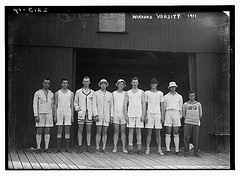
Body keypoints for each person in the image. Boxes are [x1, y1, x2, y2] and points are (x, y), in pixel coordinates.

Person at [74, 76, 97, 154]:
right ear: (82, 82)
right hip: (81, 113)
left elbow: (94, 104)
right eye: (85, 81)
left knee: (88, 130)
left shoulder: (92, 92)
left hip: (89, 114)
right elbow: (75, 102)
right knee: (80, 129)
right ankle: (80, 146)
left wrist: (94, 114)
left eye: (87, 81)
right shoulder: (78, 92)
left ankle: (88, 146)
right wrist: (78, 109)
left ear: (89, 82)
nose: (86, 83)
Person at [124, 77, 145, 155]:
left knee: (139, 131)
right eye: (133, 82)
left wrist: (143, 114)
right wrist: (126, 115)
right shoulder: (128, 92)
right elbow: (125, 104)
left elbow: (143, 104)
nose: (135, 84)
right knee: (131, 131)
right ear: (131, 83)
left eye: (136, 82)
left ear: (138, 83)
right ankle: (130, 148)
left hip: (139, 114)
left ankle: (139, 149)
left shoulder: (141, 92)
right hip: (130, 114)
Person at [33, 78, 54, 154]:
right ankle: (38, 148)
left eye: (48, 83)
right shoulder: (38, 93)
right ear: (42, 83)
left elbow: (53, 105)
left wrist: (53, 114)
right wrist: (36, 115)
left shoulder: (51, 94)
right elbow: (35, 105)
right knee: (39, 130)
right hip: (40, 113)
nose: (47, 85)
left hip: (49, 113)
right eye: (45, 83)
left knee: (47, 130)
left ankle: (46, 148)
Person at [144, 78, 164, 155]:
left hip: (158, 114)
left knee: (158, 132)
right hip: (149, 113)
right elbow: (145, 105)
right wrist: (145, 115)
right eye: (152, 83)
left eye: (155, 83)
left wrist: (162, 116)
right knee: (149, 132)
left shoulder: (160, 93)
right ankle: (147, 148)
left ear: (157, 84)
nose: (153, 85)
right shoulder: (146, 93)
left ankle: (159, 149)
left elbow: (162, 105)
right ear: (150, 84)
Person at [54, 79, 74, 153]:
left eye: (66, 83)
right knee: (59, 129)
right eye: (63, 83)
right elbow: (55, 104)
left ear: (68, 84)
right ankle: (58, 147)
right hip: (60, 111)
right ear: (61, 84)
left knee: (67, 130)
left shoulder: (71, 93)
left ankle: (67, 147)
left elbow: (72, 105)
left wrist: (72, 116)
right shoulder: (57, 93)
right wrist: (55, 115)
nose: (65, 84)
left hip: (68, 111)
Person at [163, 81, 183, 156]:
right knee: (168, 131)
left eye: (174, 87)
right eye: (171, 87)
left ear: (176, 87)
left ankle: (177, 150)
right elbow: (164, 107)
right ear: (169, 88)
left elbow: (181, 107)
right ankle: (168, 150)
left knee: (176, 132)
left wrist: (180, 116)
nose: (172, 88)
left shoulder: (179, 96)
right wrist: (164, 116)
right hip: (168, 112)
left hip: (176, 113)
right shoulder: (165, 96)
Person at [94, 79, 113, 154]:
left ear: (106, 85)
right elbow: (94, 105)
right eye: (102, 84)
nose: (103, 85)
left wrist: (111, 116)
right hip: (99, 114)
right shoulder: (96, 93)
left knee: (105, 131)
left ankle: (104, 147)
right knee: (98, 131)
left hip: (106, 115)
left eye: (105, 84)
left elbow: (111, 106)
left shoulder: (110, 94)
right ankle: (97, 147)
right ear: (100, 85)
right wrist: (96, 114)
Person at [183, 90, 202, 157]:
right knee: (186, 137)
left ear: (195, 96)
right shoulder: (185, 104)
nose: (192, 97)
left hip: (196, 123)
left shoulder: (198, 104)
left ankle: (196, 152)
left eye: (193, 96)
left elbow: (200, 114)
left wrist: (196, 119)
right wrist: (188, 119)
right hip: (188, 122)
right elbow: (183, 114)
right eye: (190, 96)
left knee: (195, 138)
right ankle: (186, 152)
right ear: (188, 96)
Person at [112, 79, 128, 153]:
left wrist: (126, 114)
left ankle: (123, 148)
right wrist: (111, 115)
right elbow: (112, 105)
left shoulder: (126, 93)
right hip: (115, 113)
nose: (121, 85)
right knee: (116, 131)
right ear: (117, 85)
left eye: (122, 84)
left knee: (123, 131)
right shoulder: (113, 93)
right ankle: (115, 147)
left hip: (123, 113)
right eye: (119, 84)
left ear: (124, 85)